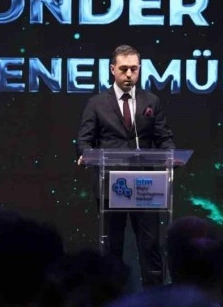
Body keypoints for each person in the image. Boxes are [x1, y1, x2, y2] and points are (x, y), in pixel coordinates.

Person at [77, 44, 176, 287]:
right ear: (113, 69)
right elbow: (84, 140)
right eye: (124, 69)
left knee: (150, 245)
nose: (129, 74)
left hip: (145, 185)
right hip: (112, 184)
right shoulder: (97, 103)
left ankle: (155, 298)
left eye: (134, 69)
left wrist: (171, 156)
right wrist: (85, 155)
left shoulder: (151, 101)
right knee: (112, 247)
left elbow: (164, 137)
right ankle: (111, 296)